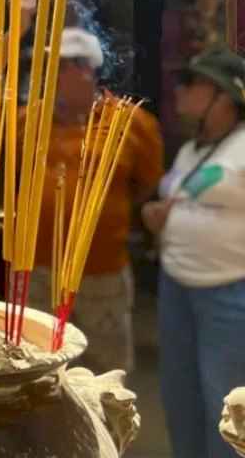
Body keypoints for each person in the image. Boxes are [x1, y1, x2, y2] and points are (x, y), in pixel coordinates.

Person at [24, 28, 164, 373]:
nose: (49, 76)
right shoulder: (28, 120)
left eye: (59, 66)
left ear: (87, 69)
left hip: (101, 270)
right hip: (39, 268)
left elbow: (147, 185)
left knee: (106, 372)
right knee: (38, 365)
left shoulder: (131, 123)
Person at [142, 46, 245, 458]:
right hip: (177, 287)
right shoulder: (191, 151)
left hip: (228, 292)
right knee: (179, 395)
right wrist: (156, 215)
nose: (180, 91)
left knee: (224, 404)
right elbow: (178, 200)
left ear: (227, 96)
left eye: (193, 84)